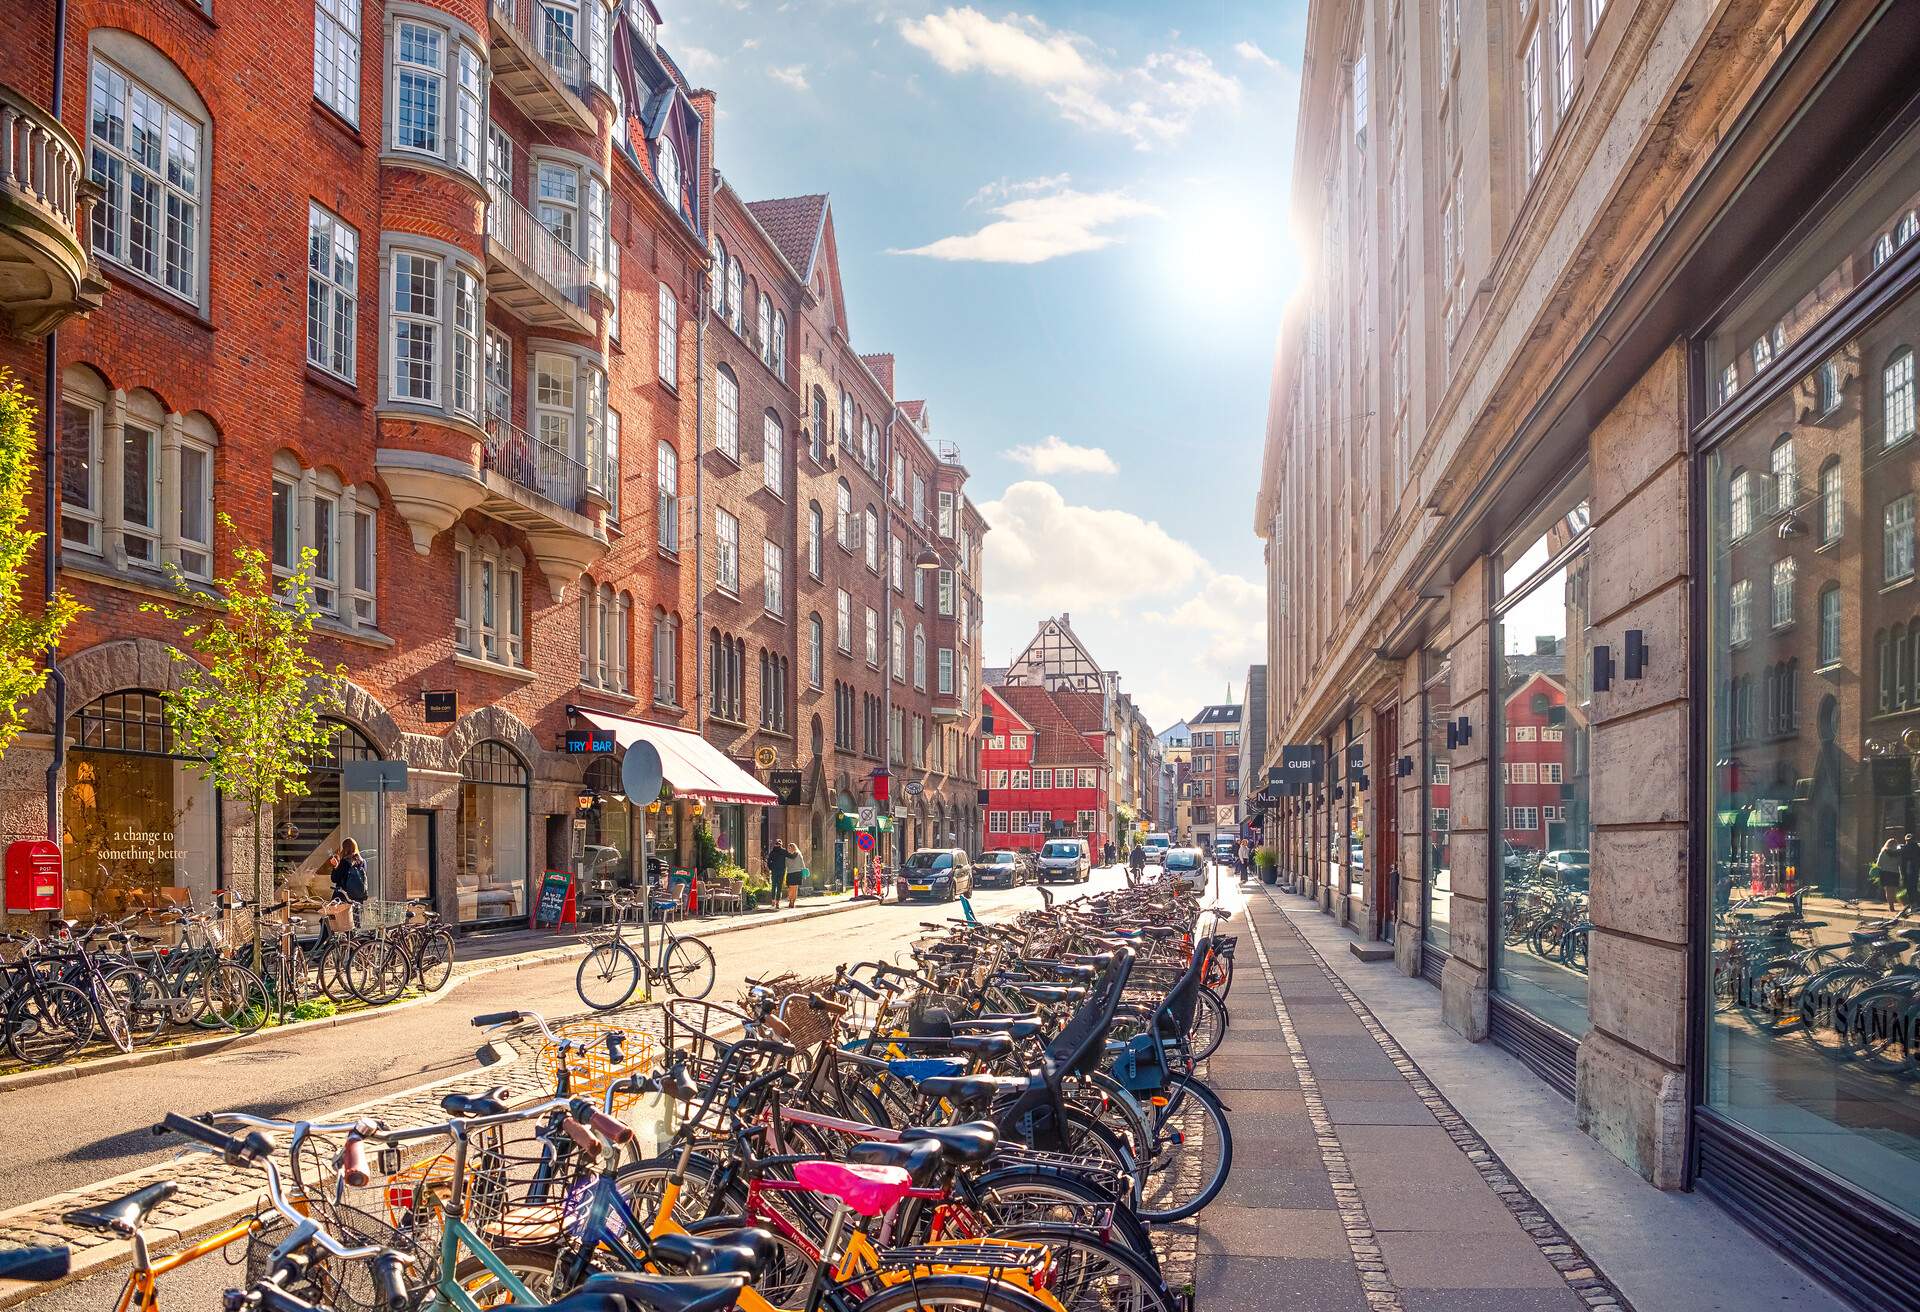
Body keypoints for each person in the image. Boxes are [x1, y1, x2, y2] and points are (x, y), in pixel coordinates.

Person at [328, 838, 369, 923]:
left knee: (334, 920)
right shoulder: (362, 862)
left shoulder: (345, 862)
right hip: (358, 897)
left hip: (343, 896)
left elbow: (334, 879)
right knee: (355, 921)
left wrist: (335, 866)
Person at [1873, 834, 1903, 911]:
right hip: (1895, 873)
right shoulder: (1897, 854)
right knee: (1893, 890)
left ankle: (1891, 906)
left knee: (1888, 890)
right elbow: (1900, 863)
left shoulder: (1883, 852)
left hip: (1885, 873)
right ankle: (1892, 905)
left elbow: (1878, 864)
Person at [767, 839, 790, 910]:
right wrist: (796, 853)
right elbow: (790, 856)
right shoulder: (783, 851)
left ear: (775, 844)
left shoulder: (772, 852)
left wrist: (771, 868)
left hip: (774, 871)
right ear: (781, 844)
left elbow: (768, 861)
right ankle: (777, 902)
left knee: (774, 885)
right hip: (781, 871)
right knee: (779, 886)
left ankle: (773, 900)